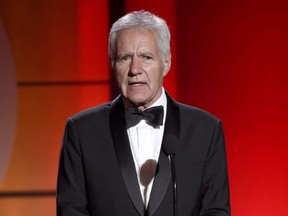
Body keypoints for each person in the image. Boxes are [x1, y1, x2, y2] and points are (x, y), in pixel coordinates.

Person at [57, 10, 230, 216]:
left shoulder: (206, 130)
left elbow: (216, 211)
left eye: (146, 57)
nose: (135, 69)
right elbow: (71, 211)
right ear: (112, 63)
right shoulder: (82, 131)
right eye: (125, 58)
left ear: (166, 63)